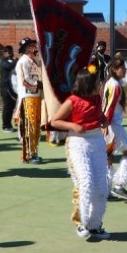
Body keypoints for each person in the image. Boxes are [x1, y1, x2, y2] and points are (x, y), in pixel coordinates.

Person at [50, 67, 111, 241]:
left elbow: (100, 116)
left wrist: (104, 120)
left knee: (102, 187)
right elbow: (55, 121)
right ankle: (81, 222)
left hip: (97, 142)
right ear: (87, 83)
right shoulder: (72, 101)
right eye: (97, 81)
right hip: (77, 143)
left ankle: (94, 225)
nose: (100, 84)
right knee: (86, 182)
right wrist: (72, 126)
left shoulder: (97, 98)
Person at [102, 58, 127, 200]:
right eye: (122, 68)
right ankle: (119, 185)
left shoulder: (109, 83)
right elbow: (109, 107)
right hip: (112, 126)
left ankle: (105, 190)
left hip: (108, 124)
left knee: (108, 158)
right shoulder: (115, 85)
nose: (125, 70)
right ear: (115, 70)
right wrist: (105, 125)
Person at [15, 37, 43, 164]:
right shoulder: (23, 62)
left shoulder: (35, 62)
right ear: (27, 49)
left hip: (37, 97)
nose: (35, 47)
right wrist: (38, 85)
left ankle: (34, 152)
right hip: (27, 98)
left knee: (36, 126)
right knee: (29, 126)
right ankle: (28, 154)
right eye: (32, 45)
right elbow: (24, 81)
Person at [0, 45, 18, 133]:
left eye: (11, 52)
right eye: (9, 52)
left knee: (11, 107)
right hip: (5, 87)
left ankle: (9, 125)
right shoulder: (3, 61)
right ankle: (5, 126)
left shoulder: (12, 61)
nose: (11, 54)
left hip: (12, 87)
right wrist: (16, 61)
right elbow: (9, 66)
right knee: (7, 107)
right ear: (5, 53)